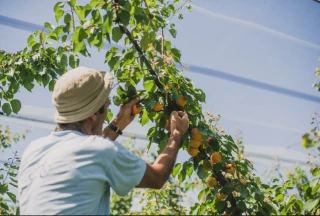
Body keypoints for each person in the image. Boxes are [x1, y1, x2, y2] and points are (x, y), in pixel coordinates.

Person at [18, 66, 189, 215]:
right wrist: (176, 134)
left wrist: (118, 124)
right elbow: (157, 177)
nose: (108, 112)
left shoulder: (34, 150)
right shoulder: (100, 151)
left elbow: (87, 154)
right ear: (93, 115)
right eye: (107, 107)